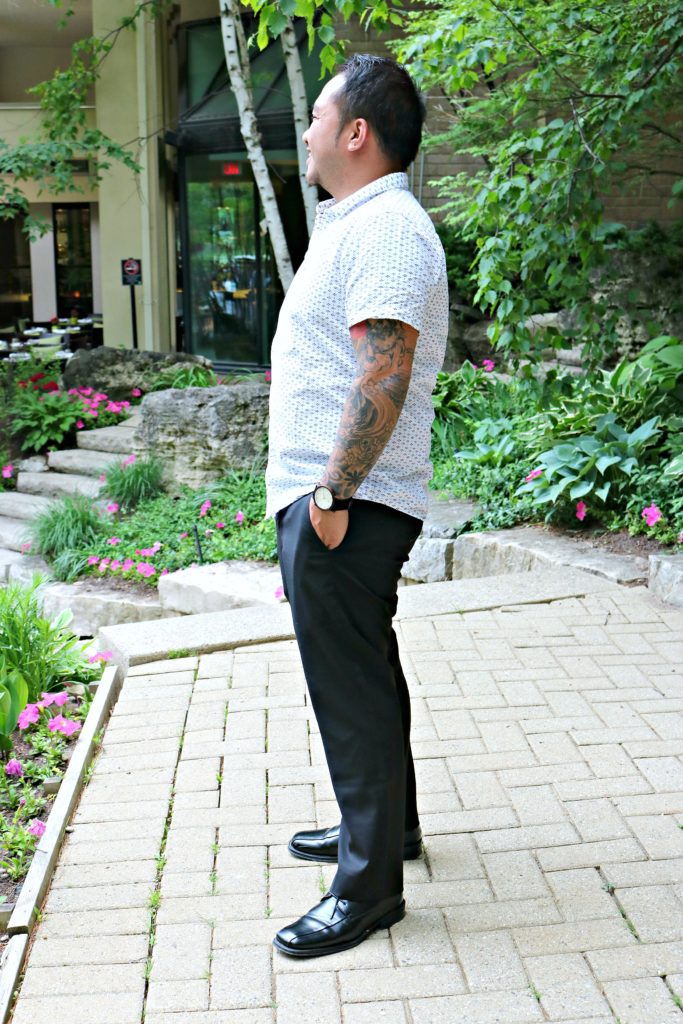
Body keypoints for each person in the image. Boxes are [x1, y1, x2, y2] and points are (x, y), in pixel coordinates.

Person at [265, 53, 449, 958]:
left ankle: (367, 890)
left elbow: (384, 363)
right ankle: (385, 831)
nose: (304, 133)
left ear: (355, 133)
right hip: (344, 497)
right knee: (365, 676)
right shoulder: (364, 223)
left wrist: (331, 493)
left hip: (350, 499)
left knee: (351, 695)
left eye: (316, 117)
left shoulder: (385, 229)